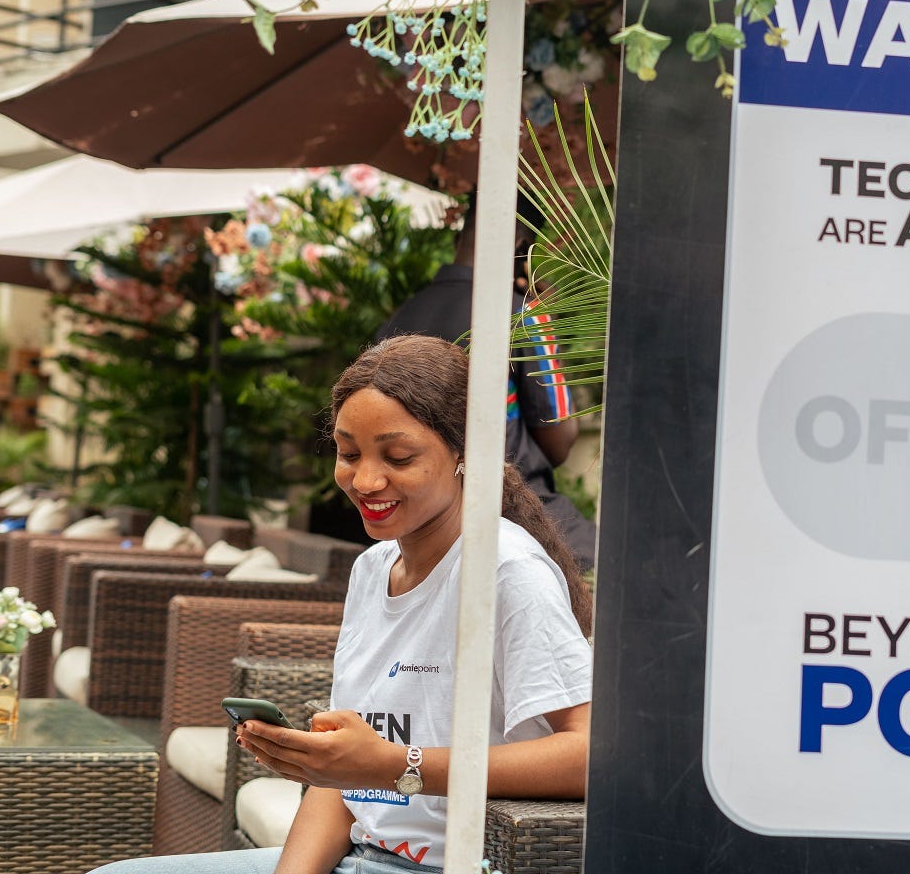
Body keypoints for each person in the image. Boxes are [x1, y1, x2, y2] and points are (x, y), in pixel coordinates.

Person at [91, 335, 594, 874]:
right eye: (349, 453)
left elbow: (588, 755)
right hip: (359, 855)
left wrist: (397, 766)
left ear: (465, 452)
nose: (366, 480)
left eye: (399, 457)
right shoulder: (373, 569)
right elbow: (340, 788)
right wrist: (336, 768)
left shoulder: (503, 570)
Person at [376, 193, 598, 570]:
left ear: (459, 237)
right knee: (602, 564)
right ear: (520, 246)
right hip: (513, 506)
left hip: (423, 515)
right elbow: (560, 440)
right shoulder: (520, 313)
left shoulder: (396, 320)